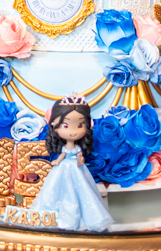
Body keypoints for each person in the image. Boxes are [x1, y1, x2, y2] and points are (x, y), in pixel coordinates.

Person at [31, 96, 114, 232]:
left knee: (82, 190)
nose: (73, 131)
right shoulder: (64, 148)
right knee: (57, 190)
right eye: (65, 125)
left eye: (80, 125)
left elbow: (79, 155)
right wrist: (57, 161)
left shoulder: (78, 149)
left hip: (77, 169)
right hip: (63, 168)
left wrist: (80, 160)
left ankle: (81, 219)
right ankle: (57, 218)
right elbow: (63, 155)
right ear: (54, 125)